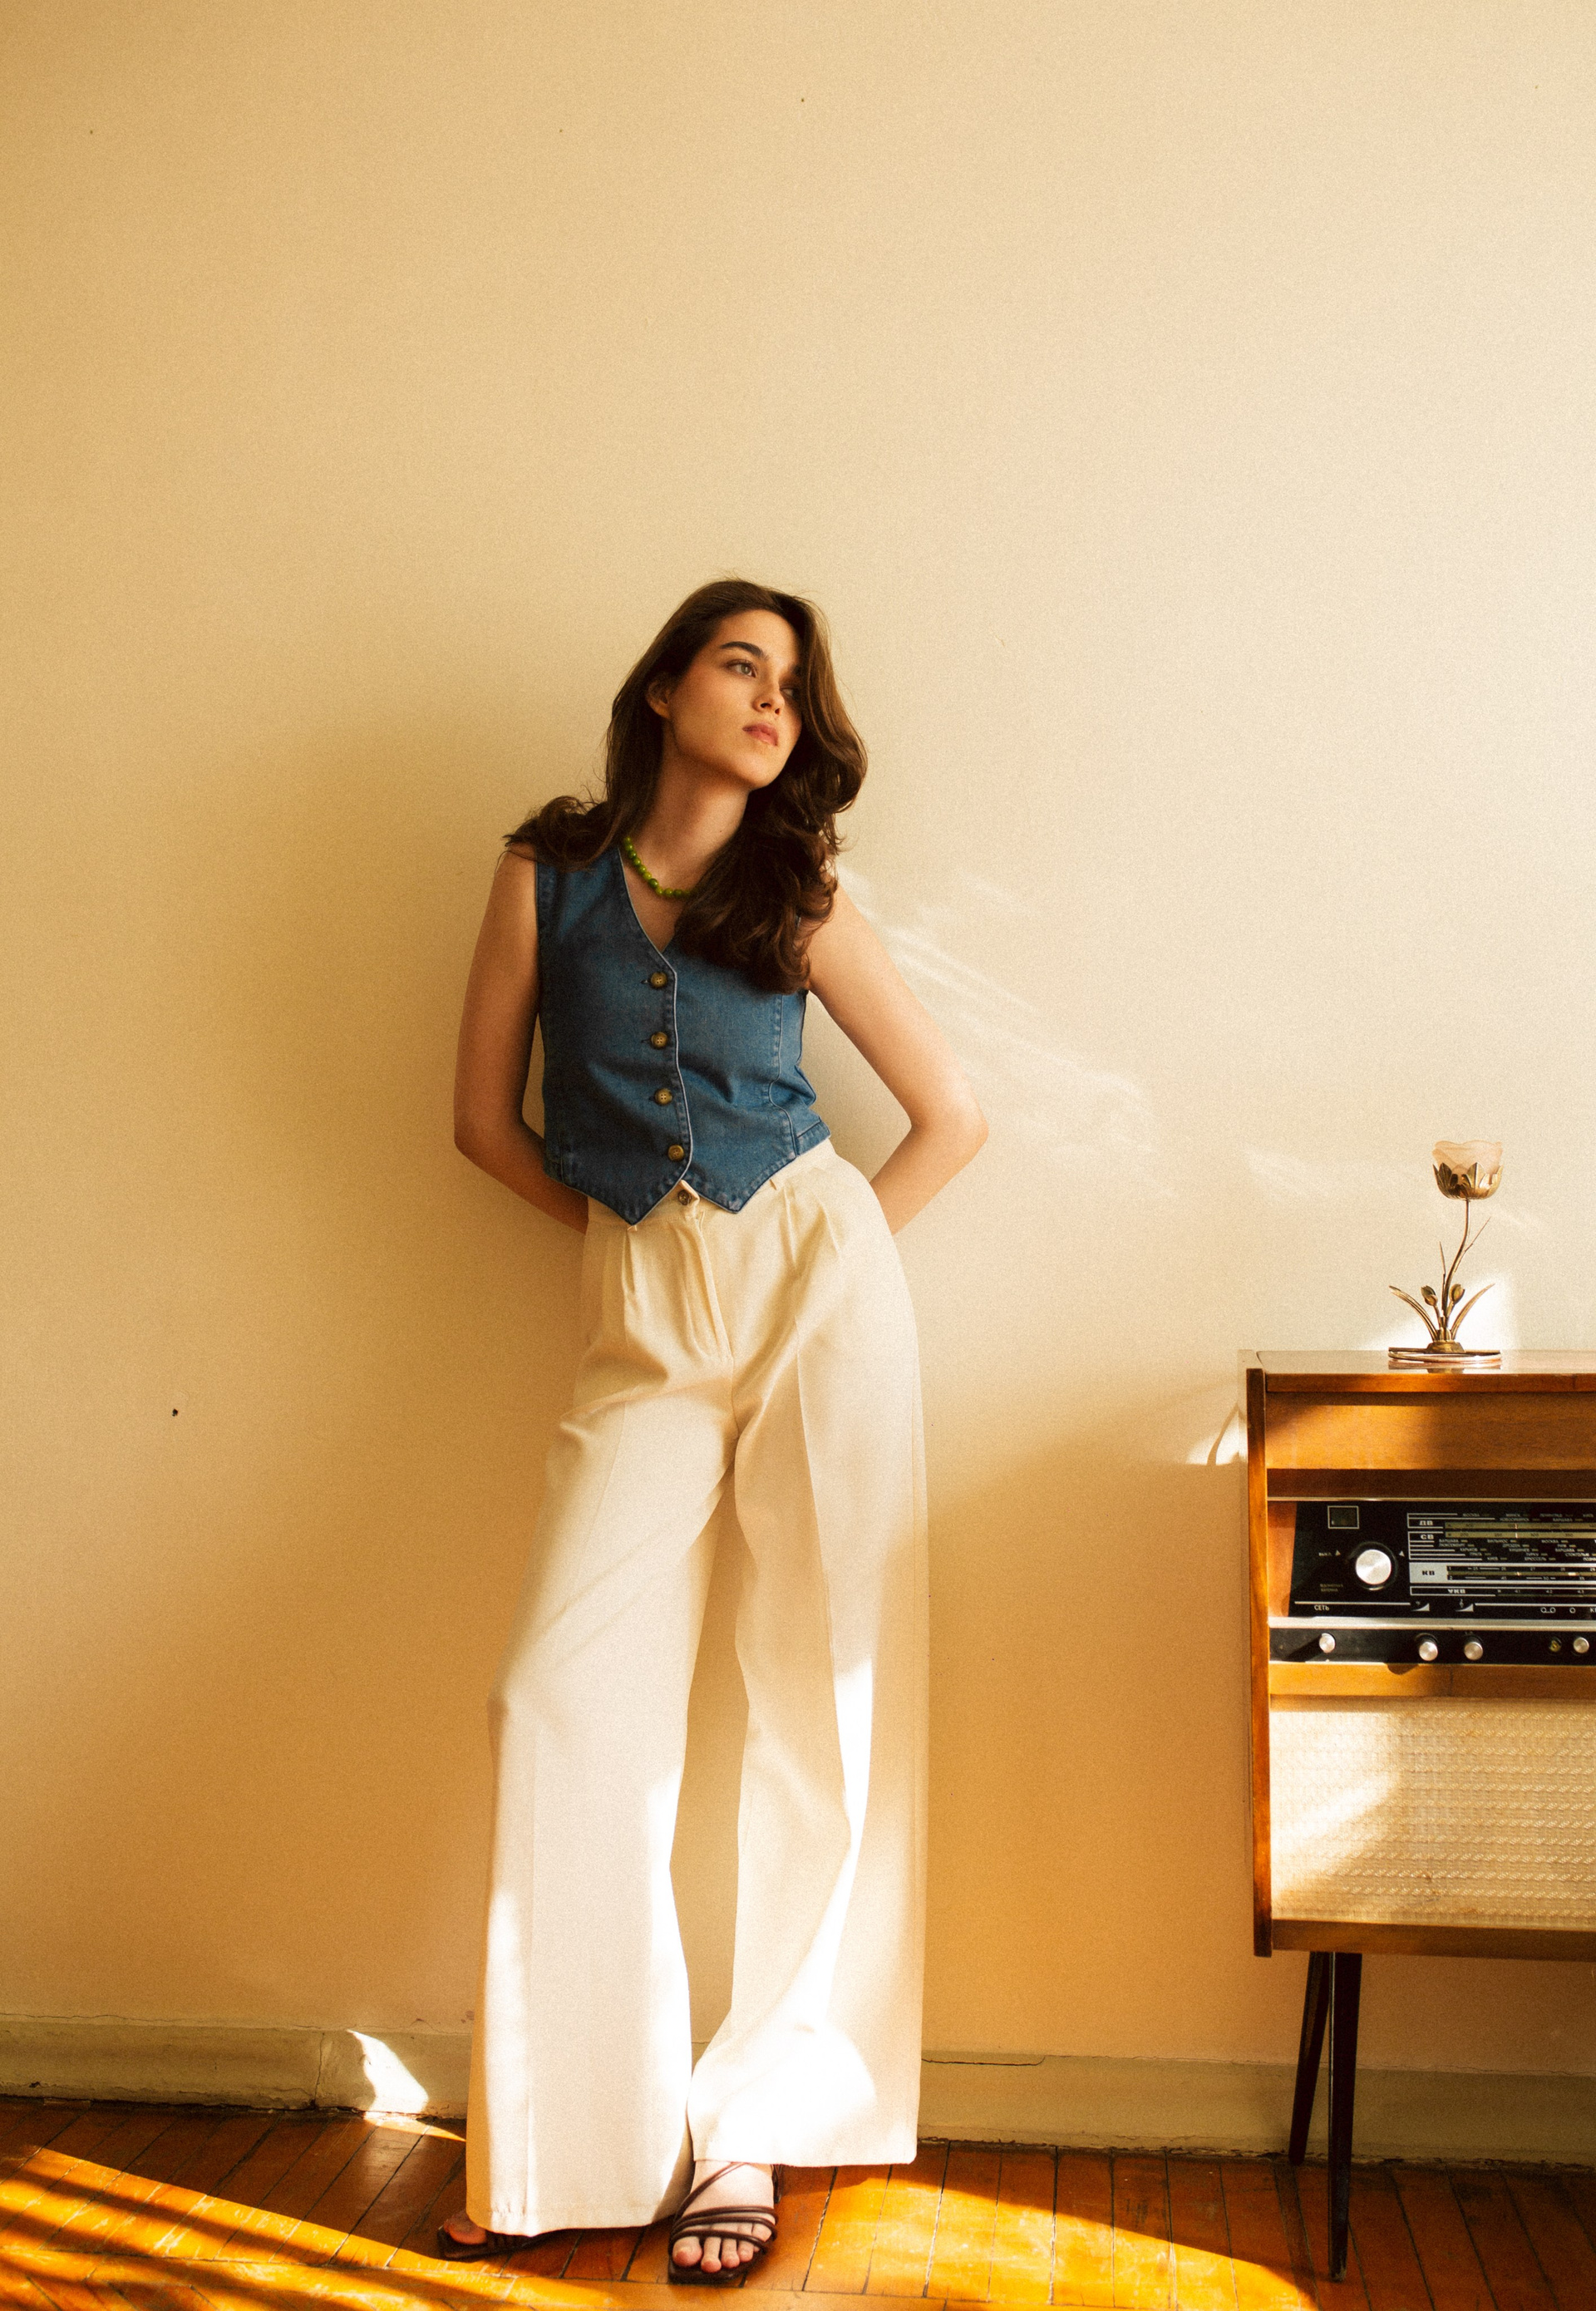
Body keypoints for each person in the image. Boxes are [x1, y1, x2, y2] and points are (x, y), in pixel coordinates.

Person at [442, 579, 986, 2280]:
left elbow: (954, 1115)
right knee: (555, 1692)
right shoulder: (546, 873)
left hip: (825, 1282)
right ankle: (573, 2140)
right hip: (644, 1314)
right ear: (666, 687)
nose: (770, 701)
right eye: (741, 665)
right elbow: (480, 1122)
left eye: (793, 687)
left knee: (824, 1695)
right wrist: (637, 1238)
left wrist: (831, 1256)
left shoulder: (797, 893)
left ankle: (751, 2124)